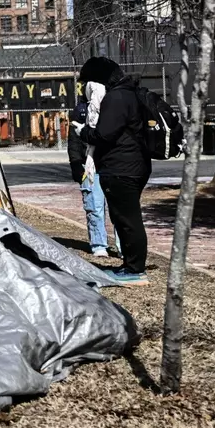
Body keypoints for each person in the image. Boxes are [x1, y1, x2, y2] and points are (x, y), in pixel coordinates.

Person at [74, 56, 150, 285]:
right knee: (126, 217)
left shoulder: (116, 98)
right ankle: (130, 265)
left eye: (89, 83)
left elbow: (104, 134)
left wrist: (83, 132)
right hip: (132, 165)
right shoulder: (128, 93)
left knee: (127, 220)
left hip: (122, 168)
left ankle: (135, 269)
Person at [67, 83, 114, 257]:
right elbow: (73, 139)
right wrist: (75, 163)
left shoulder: (114, 109)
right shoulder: (81, 111)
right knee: (94, 207)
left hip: (112, 164)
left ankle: (124, 246)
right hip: (89, 165)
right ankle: (99, 244)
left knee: (119, 209)